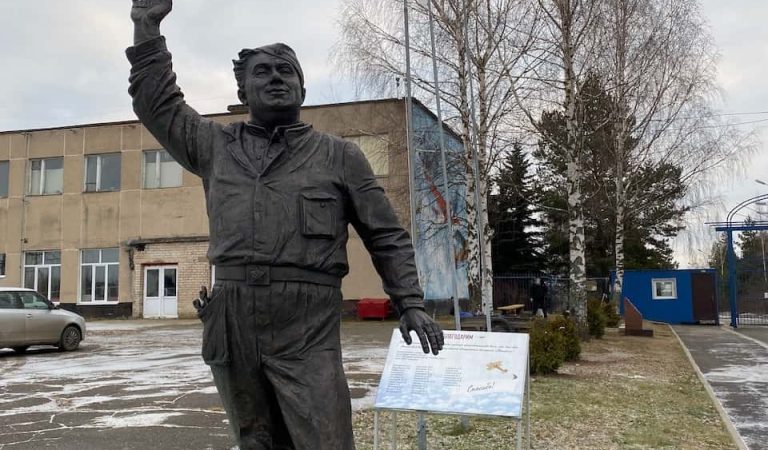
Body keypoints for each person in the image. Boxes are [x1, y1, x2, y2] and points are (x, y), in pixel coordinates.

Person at [127, 1, 444, 449]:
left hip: (307, 322)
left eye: (285, 70)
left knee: (325, 440)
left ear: (302, 88)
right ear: (242, 92)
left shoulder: (339, 156)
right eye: (262, 72)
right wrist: (147, 27)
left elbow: (385, 235)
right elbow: (157, 102)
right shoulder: (215, 145)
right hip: (233, 316)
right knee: (255, 441)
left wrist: (409, 302)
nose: (275, 77)